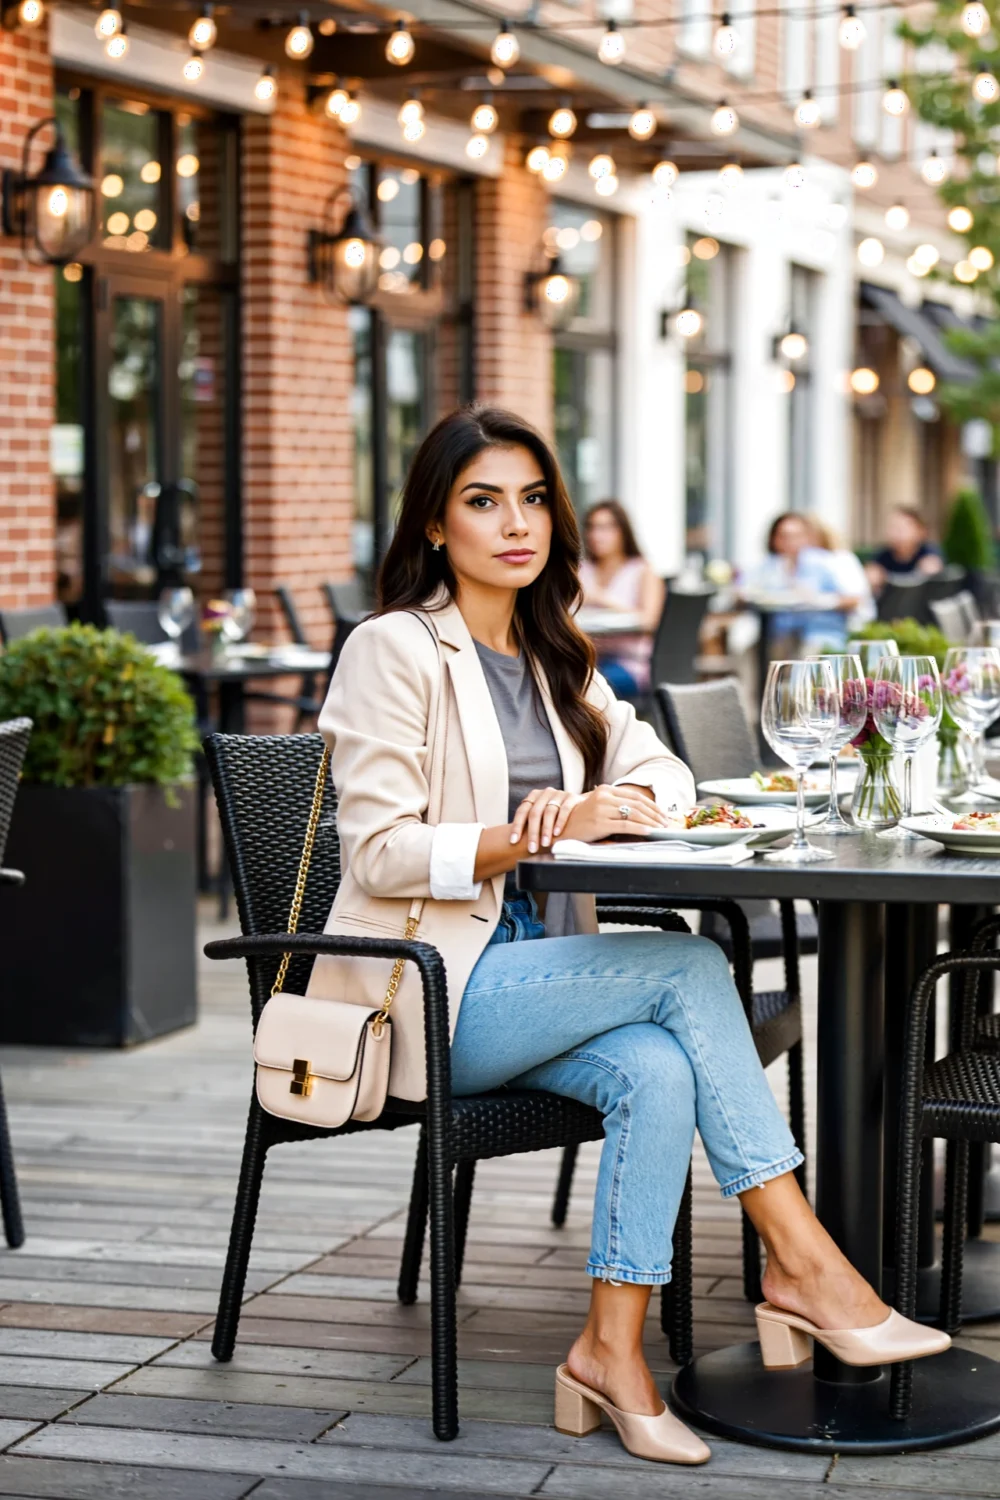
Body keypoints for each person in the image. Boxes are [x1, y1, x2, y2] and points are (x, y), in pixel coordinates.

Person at [309, 406, 948, 1467]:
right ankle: (803, 1265)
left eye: (532, 500)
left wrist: (613, 797)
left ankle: (609, 1353)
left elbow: (662, 771)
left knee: (655, 1067)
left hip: (534, 982)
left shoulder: (553, 650)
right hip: (429, 992)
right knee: (692, 966)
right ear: (432, 524)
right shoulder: (394, 649)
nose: (516, 524)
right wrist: (525, 835)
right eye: (481, 502)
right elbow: (375, 852)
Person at [579, 500, 665, 697]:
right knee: (555, 676)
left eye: (604, 528)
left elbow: (650, 621)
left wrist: (602, 599)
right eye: (591, 527)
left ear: (622, 531)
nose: (596, 535)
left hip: (631, 663)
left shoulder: (643, 571)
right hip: (589, 659)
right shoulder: (583, 571)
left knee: (586, 686)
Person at [742, 511, 862, 650]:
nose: (789, 542)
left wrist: (820, 600)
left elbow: (854, 599)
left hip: (819, 632)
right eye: (783, 536)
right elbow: (747, 591)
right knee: (752, 654)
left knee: (807, 655)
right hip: (779, 633)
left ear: (806, 537)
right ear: (774, 539)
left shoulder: (822, 562)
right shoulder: (768, 566)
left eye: (795, 536)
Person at [805, 515, 876, 631]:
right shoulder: (804, 560)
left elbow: (854, 599)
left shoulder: (840, 559)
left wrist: (820, 600)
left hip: (842, 628)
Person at [865, 506, 944, 592]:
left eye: (901, 529)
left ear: (920, 531)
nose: (895, 533)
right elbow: (871, 574)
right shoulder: (883, 555)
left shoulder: (928, 552)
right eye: (892, 528)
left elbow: (933, 569)